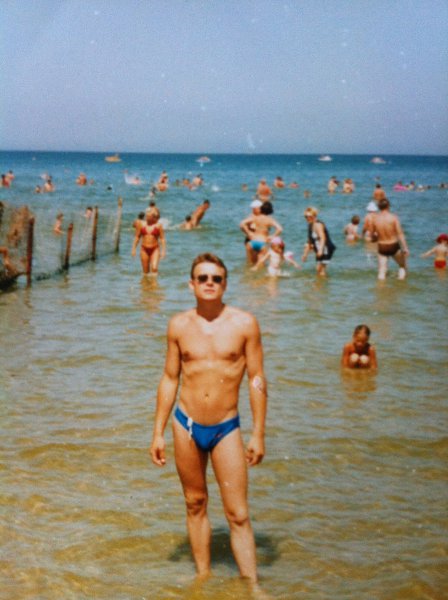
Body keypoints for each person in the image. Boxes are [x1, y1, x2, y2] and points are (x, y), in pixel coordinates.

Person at [150, 253, 267, 583]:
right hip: (185, 424)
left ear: (225, 284)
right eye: (202, 278)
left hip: (226, 427)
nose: (209, 283)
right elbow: (169, 378)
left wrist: (258, 433)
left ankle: (253, 587)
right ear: (192, 284)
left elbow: (257, 379)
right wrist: (157, 432)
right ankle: (202, 579)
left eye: (216, 278)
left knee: (238, 513)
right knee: (195, 503)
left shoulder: (244, 324)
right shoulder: (178, 325)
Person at [372, 198, 409, 280]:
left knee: (382, 270)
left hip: (382, 246)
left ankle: (380, 286)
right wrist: (405, 247)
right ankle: (401, 283)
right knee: (402, 266)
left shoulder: (375, 219)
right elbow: (400, 233)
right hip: (393, 245)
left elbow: (373, 235)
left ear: (379, 207)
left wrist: (375, 238)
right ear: (388, 206)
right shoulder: (393, 217)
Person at [240, 200, 283, 265]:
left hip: (251, 242)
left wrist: (249, 233)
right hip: (262, 242)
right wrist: (272, 236)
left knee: (249, 263)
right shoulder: (270, 219)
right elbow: (280, 229)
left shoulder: (255, 217)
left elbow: (242, 224)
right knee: (260, 264)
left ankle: (249, 271)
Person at [301, 207, 336, 277]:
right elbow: (309, 241)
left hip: (326, 248)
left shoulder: (318, 225)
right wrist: (305, 254)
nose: (308, 218)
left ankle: (323, 282)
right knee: (318, 269)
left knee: (321, 269)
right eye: (306, 216)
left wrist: (320, 250)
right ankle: (320, 283)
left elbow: (323, 238)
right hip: (319, 248)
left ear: (314, 216)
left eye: (310, 216)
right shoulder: (310, 225)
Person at [131, 211, 166, 275]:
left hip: (155, 249)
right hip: (144, 249)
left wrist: (163, 251)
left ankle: (154, 281)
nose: (146, 218)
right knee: (145, 271)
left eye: (148, 216)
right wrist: (134, 249)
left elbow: (162, 238)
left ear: (153, 217)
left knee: (154, 268)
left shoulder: (158, 225)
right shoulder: (141, 224)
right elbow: (137, 237)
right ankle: (146, 281)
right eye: (146, 216)